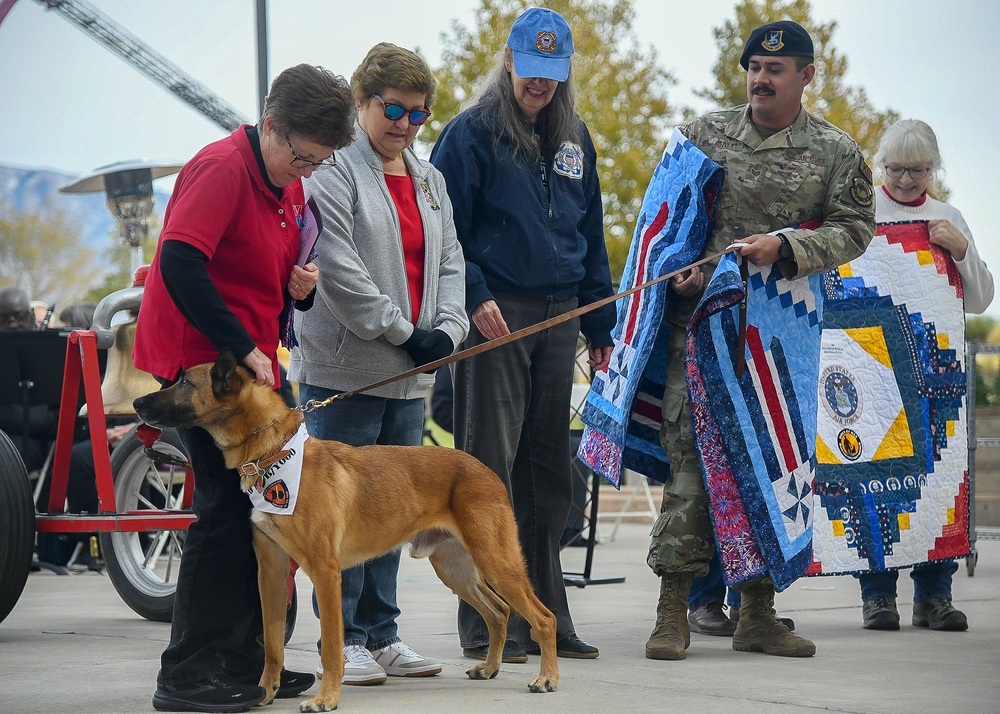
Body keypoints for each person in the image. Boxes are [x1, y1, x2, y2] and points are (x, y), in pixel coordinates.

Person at [644, 20, 876, 661]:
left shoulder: (836, 151)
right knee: (691, 462)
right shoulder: (703, 135)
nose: (761, 78)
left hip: (779, 342)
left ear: (806, 75)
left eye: (776, 69)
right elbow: (665, 218)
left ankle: (758, 613)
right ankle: (673, 613)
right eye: (753, 67)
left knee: (771, 468)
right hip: (702, 333)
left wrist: (788, 247)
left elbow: (856, 229)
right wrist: (683, 269)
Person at [132, 64, 355, 713]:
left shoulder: (285, 187)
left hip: (250, 368)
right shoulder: (223, 167)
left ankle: (253, 659)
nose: (306, 171)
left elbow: (264, 272)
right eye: (301, 156)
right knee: (228, 513)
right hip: (204, 367)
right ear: (272, 123)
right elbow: (179, 261)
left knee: (273, 509)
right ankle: (188, 672)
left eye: (318, 163)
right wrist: (242, 346)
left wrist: (297, 289)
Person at [430, 7, 615, 662]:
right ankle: (486, 624)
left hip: (560, 315)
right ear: (509, 59)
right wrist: (474, 296)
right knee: (488, 470)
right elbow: (443, 233)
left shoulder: (575, 138)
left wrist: (599, 321)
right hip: (496, 315)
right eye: (531, 71)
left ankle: (548, 618)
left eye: (552, 74)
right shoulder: (470, 134)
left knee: (550, 474)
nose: (540, 84)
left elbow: (589, 237)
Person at [290, 43, 468, 686]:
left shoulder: (429, 178)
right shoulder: (332, 172)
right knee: (338, 518)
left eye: (418, 114)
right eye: (392, 109)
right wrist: (402, 331)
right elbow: (338, 269)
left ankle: (384, 634)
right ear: (362, 102)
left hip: (409, 374)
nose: (404, 124)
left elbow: (451, 261)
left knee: (393, 512)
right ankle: (345, 642)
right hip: (347, 370)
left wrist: (447, 328)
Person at [856, 119, 993, 633]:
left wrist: (959, 250)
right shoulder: (860, 213)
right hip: (869, 372)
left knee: (938, 482)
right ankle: (878, 596)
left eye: (917, 170)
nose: (907, 180)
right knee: (873, 479)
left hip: (935, 373)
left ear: (933, 168)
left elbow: (980, 298)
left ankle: (934, 596)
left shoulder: (947, 217)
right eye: (896, 169)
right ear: (880, 165)